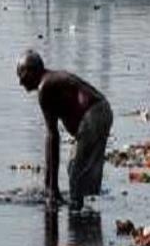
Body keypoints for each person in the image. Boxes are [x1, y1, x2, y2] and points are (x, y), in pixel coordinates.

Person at [16, 50, 113, 212]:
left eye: (21, 73)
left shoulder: (45, 87)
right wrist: (49, 185)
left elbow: (52, 136)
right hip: (102, 111)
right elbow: (52, 135)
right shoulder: (49, 82)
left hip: (94, 115)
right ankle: (86, 221)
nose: (20, 81)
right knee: (77, 170)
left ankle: (78, 214)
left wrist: (51, 189)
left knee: (76, 171)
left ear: (32, 70)